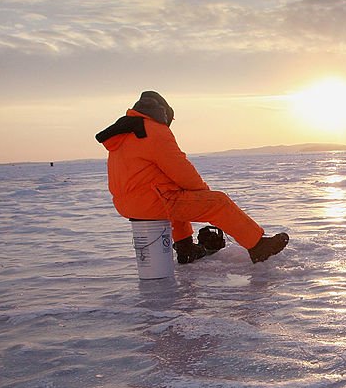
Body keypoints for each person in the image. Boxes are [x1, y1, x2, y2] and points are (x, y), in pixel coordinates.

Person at [95, 91, 288, 264]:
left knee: (175, 196)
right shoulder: (154, 130)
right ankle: (257, 246)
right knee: (218, 202)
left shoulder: (125, 134)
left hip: (127, 204)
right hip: (151, 201)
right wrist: (204, 195)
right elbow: (181, 170)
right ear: (163, 112)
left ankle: (185, 248)